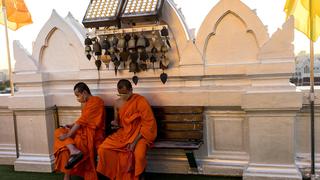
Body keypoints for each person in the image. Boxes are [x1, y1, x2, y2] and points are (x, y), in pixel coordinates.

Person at [97, 79, 157, 180]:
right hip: (124, 133)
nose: (123, 96)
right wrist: (114, 123)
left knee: (139, 155)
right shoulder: (117, 103)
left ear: (131, 90)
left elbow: (148, 124)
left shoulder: (140, 101)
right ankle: (116, 175)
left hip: (141, 135)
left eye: (125, 93)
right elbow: (118, 122)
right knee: (103, 148)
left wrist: (134, 142)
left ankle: (139, 176)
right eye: (120, 94)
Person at [53, 82, 105, 180]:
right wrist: (71, 125)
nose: (78, 98)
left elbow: (83, 121)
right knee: (58, 132)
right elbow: (82, 120)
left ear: (84, 92)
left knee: (65, 145)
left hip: (92, 134)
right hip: (81, 130)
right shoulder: (85, 104)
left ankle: (67, 175)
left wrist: (68, 134)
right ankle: (73, 150)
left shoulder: (97, 101)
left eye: (78, 95)